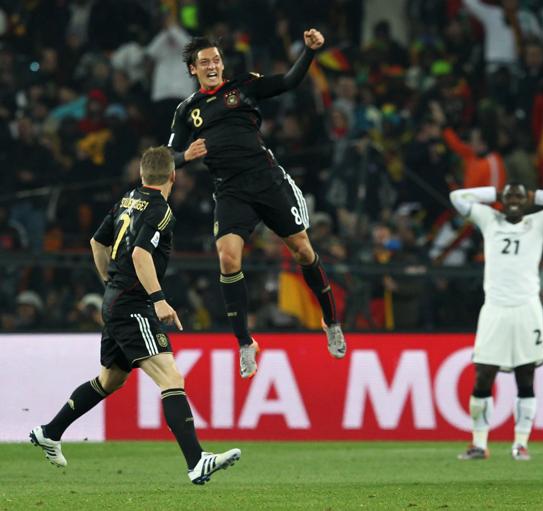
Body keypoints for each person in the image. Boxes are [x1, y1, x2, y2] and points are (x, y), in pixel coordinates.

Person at [29, 147, 240, 485]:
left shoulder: (128, 199)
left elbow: (97, 242)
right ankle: (197, 461)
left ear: (142, 175)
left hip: (115, 300)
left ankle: (49, 431)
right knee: (171, 378)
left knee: (110, 380)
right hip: (133, 304)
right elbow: (141, 254)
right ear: (173, 176)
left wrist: (108, 281)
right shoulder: (162, 210)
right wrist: (157, 299)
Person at [168, 29, 346, 379]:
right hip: (231, 191)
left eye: (216, 60)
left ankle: (331, 321)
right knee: (228, 258)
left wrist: (309, 52)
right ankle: (245, 343)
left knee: (303, 251)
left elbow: (291, 81)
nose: (213, 65)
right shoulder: (187, 111)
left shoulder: (244, 86)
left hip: (267, 181)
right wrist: (184, 155)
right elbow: (165, 157)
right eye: (205, 62)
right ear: (193, 69)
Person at [450, 182, 543, 461]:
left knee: (525, 375)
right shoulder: (489, 218)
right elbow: (457, 198)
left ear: (527, 200)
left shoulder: (538, 221)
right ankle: (479, 444)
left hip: (526, 308)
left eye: (519, 196)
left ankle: (520, 443)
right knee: (483, 373)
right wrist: (493, 195)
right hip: (494, 309)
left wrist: (538, 196)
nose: (513, 200)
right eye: (509, 196)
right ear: (501, 199)